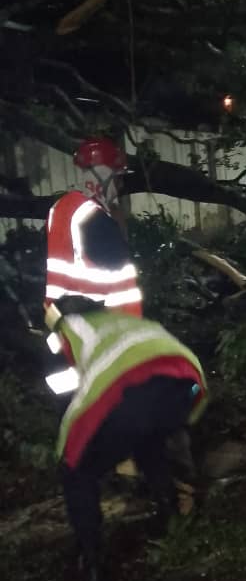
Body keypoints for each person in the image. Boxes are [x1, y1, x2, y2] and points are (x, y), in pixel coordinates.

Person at [45, 296, 208, 581]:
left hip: (126, 386)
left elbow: (72, 395)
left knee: (74, 471)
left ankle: (91, 561)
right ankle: (172, 513)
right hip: (186, 378)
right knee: (149, 439)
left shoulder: (68, 328)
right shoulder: (128, 320)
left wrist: (69, 448)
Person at [45, 136, 143, 396]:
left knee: (72, 406)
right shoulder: (98, 220)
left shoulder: (61, 209)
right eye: (118, 178)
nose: (119, 187)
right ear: (104, 176)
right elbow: (122, 285)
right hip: (99, 334)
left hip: (61, 326)